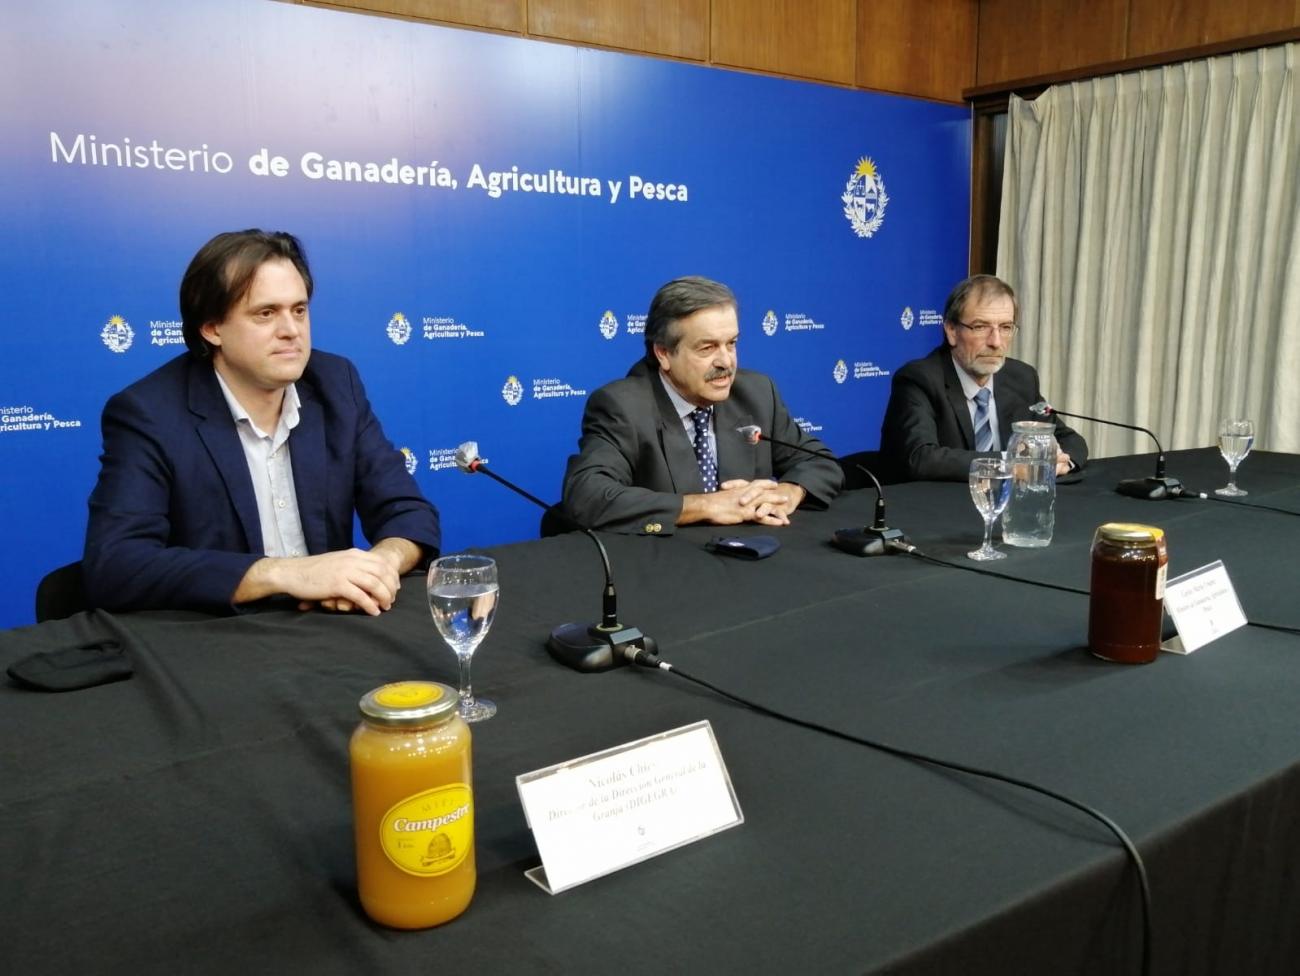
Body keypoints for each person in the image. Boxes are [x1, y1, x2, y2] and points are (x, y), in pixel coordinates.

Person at [83, 229, 441, 615]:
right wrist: (284, 574)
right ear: (212, 328)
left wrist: (380, 567)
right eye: (265, 313)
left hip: (330, 627)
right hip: (217, 640)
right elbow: (116, 566)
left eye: (299, 310)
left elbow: (409, 512)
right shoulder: (149, 413)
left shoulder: (336, 384)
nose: (290, 330)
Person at [562, 275, 842, 534]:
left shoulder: (756, 392)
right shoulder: (622, 407)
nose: (726, 361)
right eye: (707, 348)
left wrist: (790, 492)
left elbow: (821, 462)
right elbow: (587, 495)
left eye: (731, 343)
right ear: (663, 353)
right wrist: (707, 505)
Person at [879, 274, 1088, 481]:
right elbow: (920, 458)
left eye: (1005, 327)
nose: (996, 342)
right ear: (951, 331)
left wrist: (1061, 462)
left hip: (1008, 504)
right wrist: (1011, 465)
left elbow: (1068, 439)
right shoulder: (920, 380)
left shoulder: (1021, 378)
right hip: (938, 507)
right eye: (980, 327)